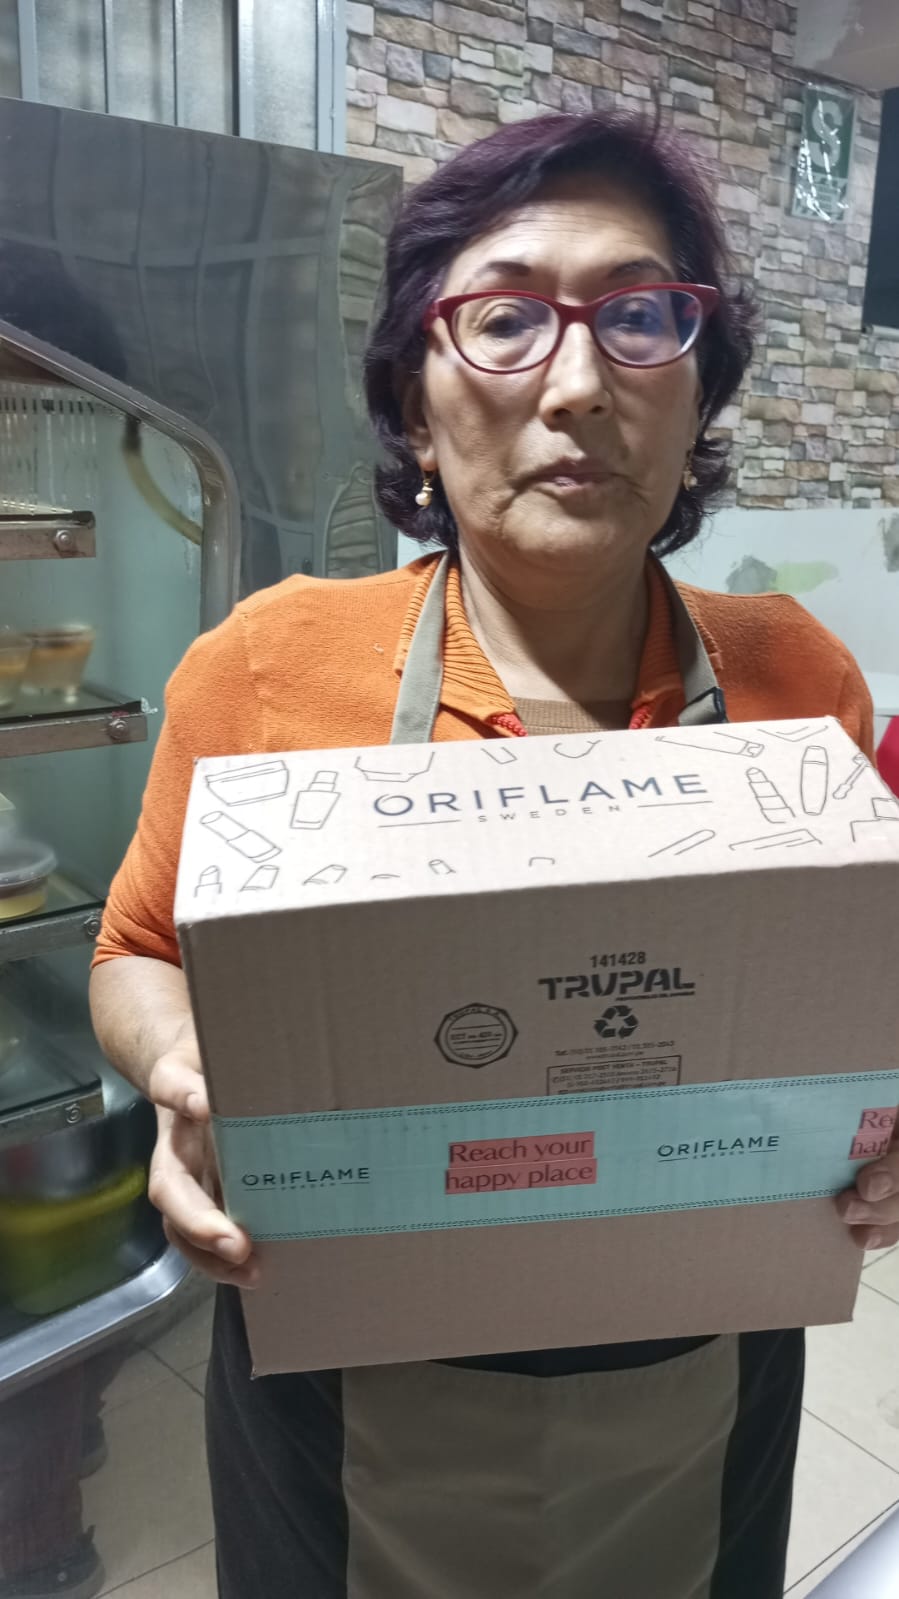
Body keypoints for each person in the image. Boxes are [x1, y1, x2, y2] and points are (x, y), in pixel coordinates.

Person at [88, 112, 899, 1599]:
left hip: (700, 1363)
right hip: (345, 1370)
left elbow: (860, 987)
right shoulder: (269, 666)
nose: (579, 384)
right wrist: (191, 1075)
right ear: (415, 401)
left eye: (640, 316)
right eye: (508, 318)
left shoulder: (799, 680)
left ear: (699, 390)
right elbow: (135, 952)